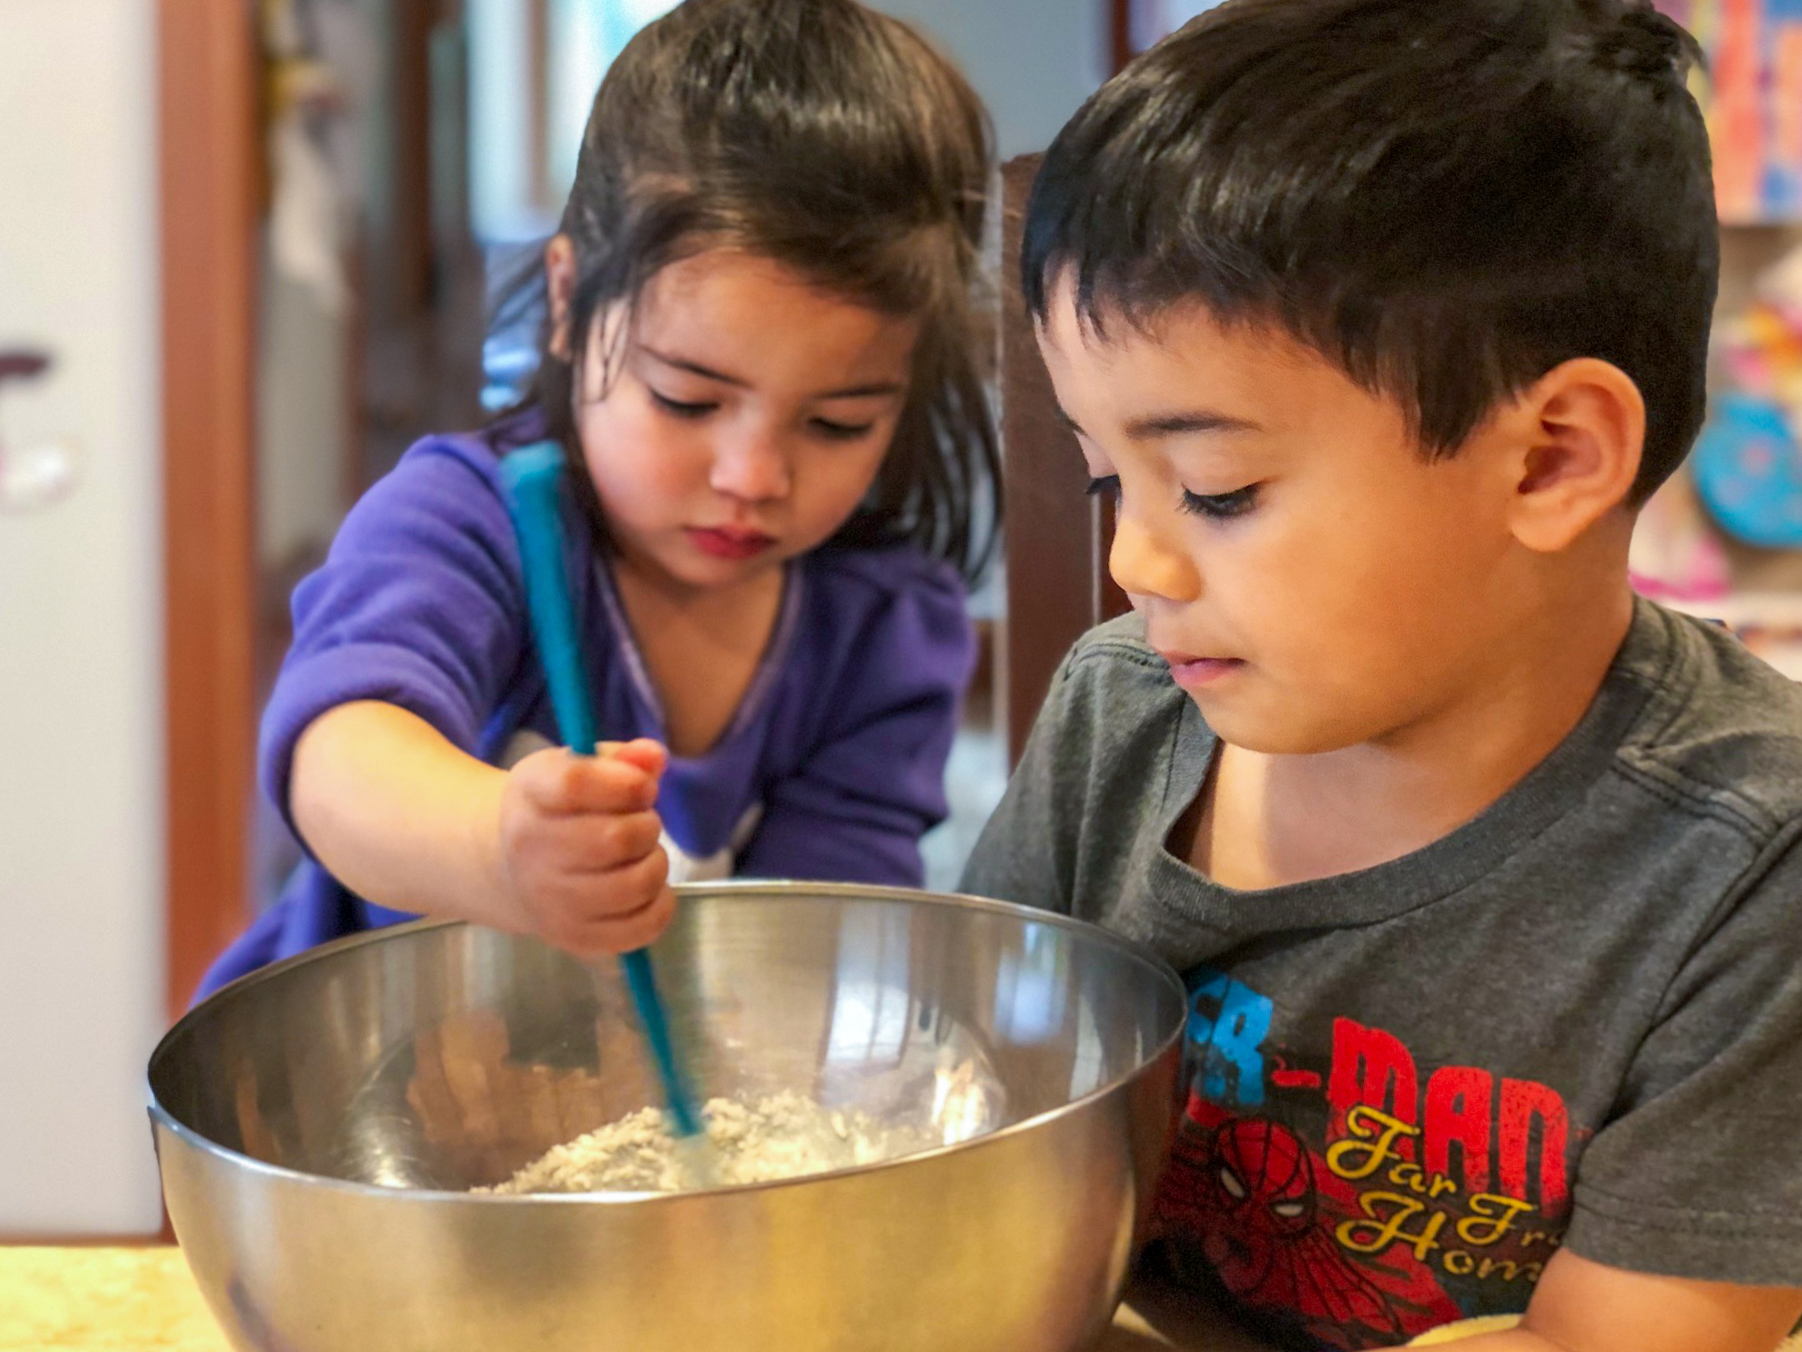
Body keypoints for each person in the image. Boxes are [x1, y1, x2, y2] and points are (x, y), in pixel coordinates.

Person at [962, 2, 1802, 1349]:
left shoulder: (1748, 869)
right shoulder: (1117, 715)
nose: (1135, 562)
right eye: (1107, 475)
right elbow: (974, 1135)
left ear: (1548, 459)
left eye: (1217, 489)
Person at [200, 0, 997, 996]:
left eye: (836, 421)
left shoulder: (882, 628)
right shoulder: (469, 521)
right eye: (687, 397)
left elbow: (810, 956)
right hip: (374, 1087)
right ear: (572, 301)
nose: (752, 476)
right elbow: (338, 752)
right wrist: (500, 845)